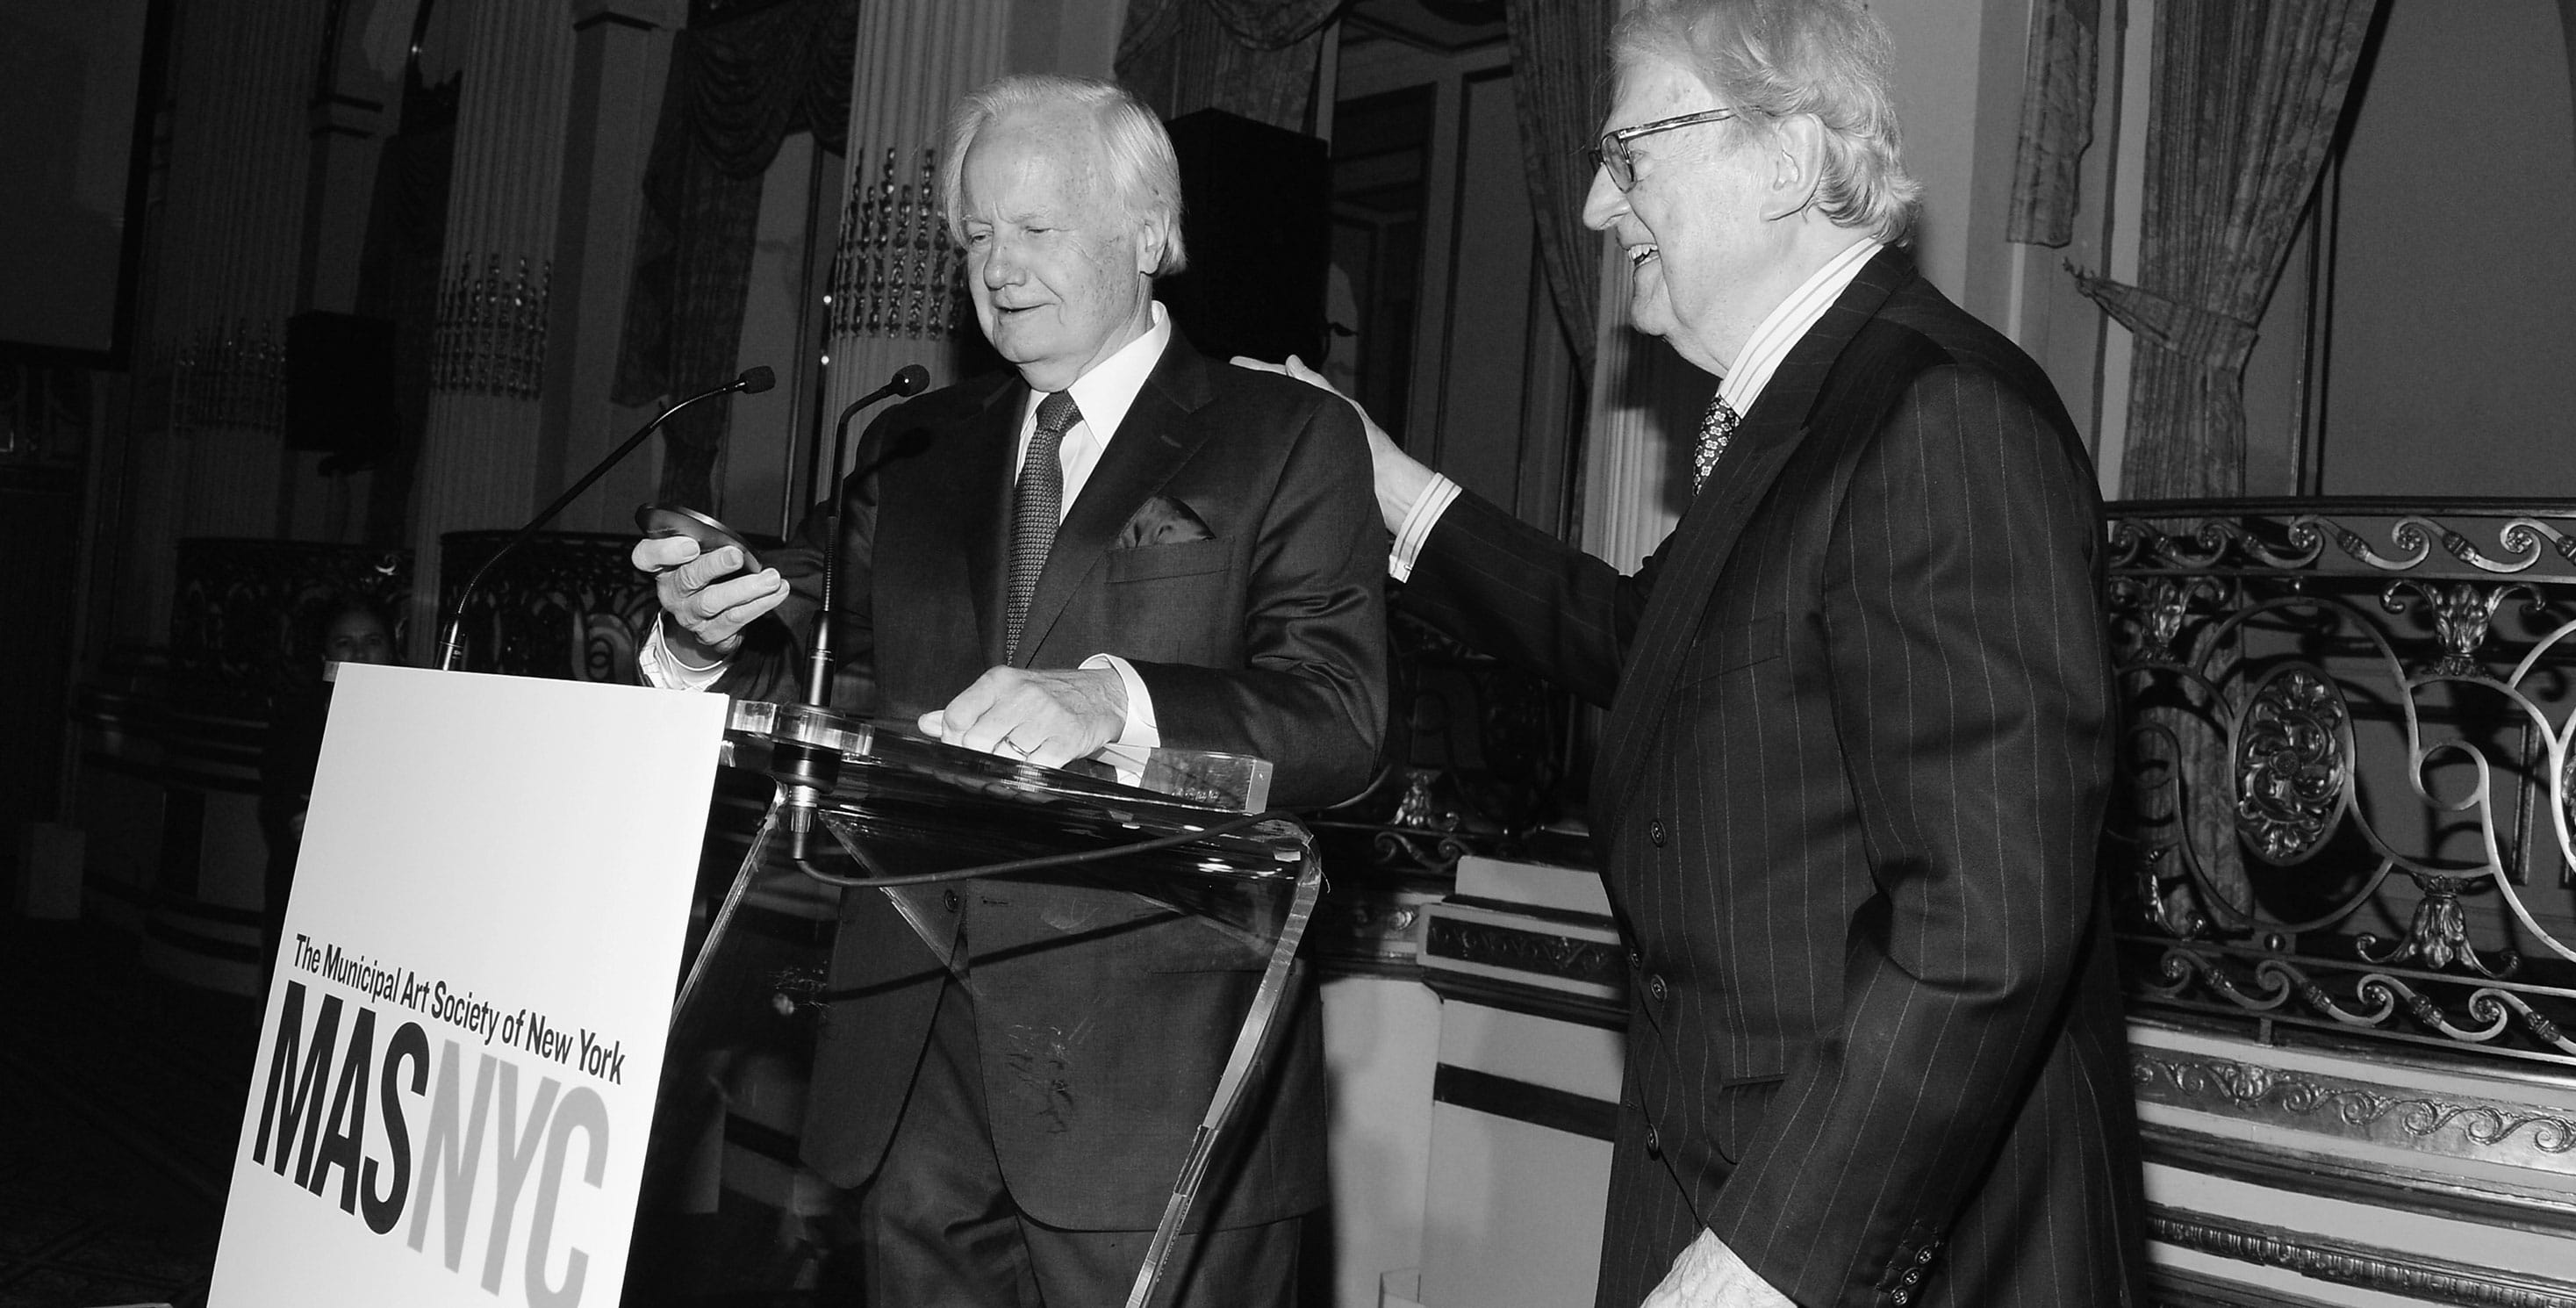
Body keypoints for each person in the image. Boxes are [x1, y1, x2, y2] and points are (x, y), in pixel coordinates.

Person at [1254, 2, 2146, 1304]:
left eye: (1631, 155)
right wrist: (1389, 488)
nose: (1600, 211)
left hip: (1887, 1241)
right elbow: (1634, 634)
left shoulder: (1938, 415)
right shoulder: (1809, 413)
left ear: (1785, 159)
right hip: (1733, 1186)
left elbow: (1987, 918)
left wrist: (1780, 1247)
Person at [630, 75, 1388, 1307]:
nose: (999, 266)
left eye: (1036, 229)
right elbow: (824, 658)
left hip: (1158, 1079)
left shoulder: (1284, 437)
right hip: (917, 1059)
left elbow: (1341, 721)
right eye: (978, 235)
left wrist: (1113, 700)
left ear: (1149, 236)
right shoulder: (914, 447)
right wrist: (704, 633)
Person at [257, 598, 395, 991]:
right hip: (311, 893)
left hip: (385, 898)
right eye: (344, 644)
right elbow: (277, 804)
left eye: (372, 641)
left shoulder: (427, 717)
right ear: (325, 655)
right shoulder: (295, 719)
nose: (360, 654)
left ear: (391, 649)